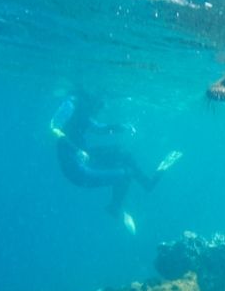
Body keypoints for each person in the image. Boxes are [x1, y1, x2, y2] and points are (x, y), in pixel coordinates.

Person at [49, 91, 181, 235]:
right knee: (126, 175)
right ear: (91, 98)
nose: (100, 109)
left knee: (122, 152)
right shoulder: (71, 104)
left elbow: (99, 128)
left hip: (84, 157)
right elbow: (54, 127)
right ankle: (115, 208)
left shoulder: (84, 110)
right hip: (76, 170)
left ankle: (147, 183)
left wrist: (123, 126)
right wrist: (75, 150)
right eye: (99, 105)